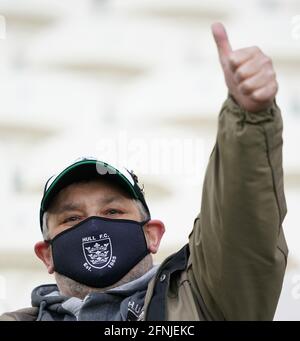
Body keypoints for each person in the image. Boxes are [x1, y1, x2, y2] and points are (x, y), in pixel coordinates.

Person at [0, 23, 288, 321]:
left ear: (152, 235)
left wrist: (249, 118)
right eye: (72, 218)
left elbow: (241, 229)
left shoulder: (205, 303)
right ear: (46, 254)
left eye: (113, 211)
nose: (95, 226)